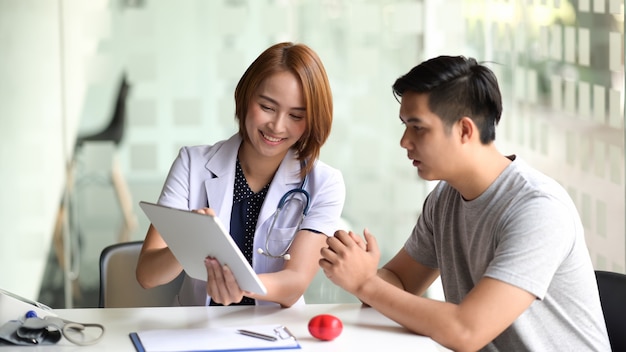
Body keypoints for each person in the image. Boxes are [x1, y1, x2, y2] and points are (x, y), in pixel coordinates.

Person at [319, 55, 610, 351]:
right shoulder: (445, 198)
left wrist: (366, 284)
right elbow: (399, 282)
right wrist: (361, 270)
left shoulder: (539, 209)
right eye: (405, 125)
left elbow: (466, 331)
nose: (404, 141)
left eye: (418, 127)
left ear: (464, 130)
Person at [136, 42, 345, 307]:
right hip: (197, 331)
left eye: (295, 115)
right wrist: (190, 241)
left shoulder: (324, 184)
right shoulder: (192, 164)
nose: (277, 126)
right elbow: (147, 275)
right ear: (246, 97)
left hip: (275, 333)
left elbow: (294, 283)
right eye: (267, 107)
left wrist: (242, 286)